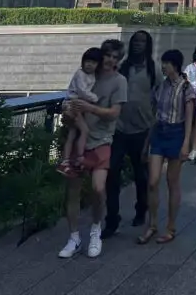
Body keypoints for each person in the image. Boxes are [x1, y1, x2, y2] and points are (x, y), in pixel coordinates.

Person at [58, 39, 127, 260]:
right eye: (107, 55)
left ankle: (96, 229)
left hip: (102, 140)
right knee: (73, 191)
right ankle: (74, 237)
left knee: (98, 189)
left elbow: (115, 112)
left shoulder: (119, 81)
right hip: (78, 137)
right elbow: (69, 101)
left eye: (115, 57)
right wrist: (69, 113)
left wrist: (90, 108)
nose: (110, 60)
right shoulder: (86, 75)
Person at [137, 49, 195, 245]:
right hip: (159, 134)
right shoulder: (160, 87)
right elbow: (154, 117)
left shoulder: (186, 87)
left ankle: (170, 226)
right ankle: (152, 224)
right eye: (163, 63)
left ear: (176, 66)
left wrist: (187, 143)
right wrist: (147, 143)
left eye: (167, 63)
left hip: (177, 133)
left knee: (172, 181)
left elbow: (189, 118)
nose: (163, 66)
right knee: (152, 181)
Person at [103, 30, 156, 239]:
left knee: (140, 174)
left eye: (142, 42)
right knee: (112, 173)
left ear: (148, 45)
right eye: (135, 41)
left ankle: (141, 209)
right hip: (118, 128)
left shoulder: (153, 70)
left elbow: (161, 94)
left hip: (142, 129)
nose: (138, 45)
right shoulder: (122, 68)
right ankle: (112, 219)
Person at [57, 47, 101, 175]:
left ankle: (65, 161)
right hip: (72, 103)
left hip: (78, 105)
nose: (89, 64)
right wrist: (95, 99)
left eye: (93, 62)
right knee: (84, 130)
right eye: (87, 61)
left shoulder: (92, 76)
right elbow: (82, 91)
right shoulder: (80, 74)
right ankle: (79, 158)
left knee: (72, 133)